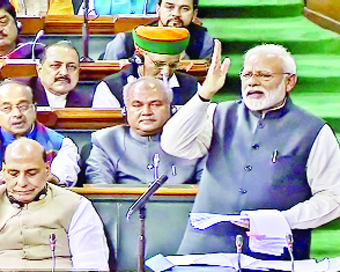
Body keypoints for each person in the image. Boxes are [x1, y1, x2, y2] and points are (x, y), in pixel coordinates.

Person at [161, 40, 340, 260]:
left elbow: (334, 198)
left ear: (289, 82)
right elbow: (172, 143)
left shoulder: (314, 130)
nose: (253, 82)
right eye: (247, 75)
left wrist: (282, 219)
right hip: (205, 249)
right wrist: (204, 95)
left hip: (274, 254)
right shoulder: (219, 114)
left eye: (264, 76)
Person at [0, 138, 109, 270]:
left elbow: (91, 264)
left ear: (46, 170)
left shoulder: (76, 206)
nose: (22, 182)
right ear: (4, 171)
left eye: (31, 173)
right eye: (14, 173)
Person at [86, 76, 204, 184]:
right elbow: (99, 191)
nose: (146, 112)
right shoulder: (106, 141)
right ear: (125, 111)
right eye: (137, 105)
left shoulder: (194, 140)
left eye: (155, 104)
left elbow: (207, 190)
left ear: (171, 109)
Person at [92, 26, 199, 109]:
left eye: (173, 65)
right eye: (159, 64)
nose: (166, 72)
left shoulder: (192, 87)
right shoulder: (111, 88)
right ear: (139, 57)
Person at [0, 80, 80, 186]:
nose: (17, 114)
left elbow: (63, 177)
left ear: (34, 108)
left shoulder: (60, 144)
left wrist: (51, 179)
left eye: (23, 107)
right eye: (6, 108)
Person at [103, 0, 214, 60]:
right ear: (158, 9)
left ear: (194, 14)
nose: (176, 14)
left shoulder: (204, 42)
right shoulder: (127, 41)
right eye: (169, 7)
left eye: (184, 9)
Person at [17, 41, 92, 108]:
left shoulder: (86, 102)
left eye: (71, 67)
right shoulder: (20, 92)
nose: (64, 73)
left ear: (78, 72)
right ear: (39, 70)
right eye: (55, 65)